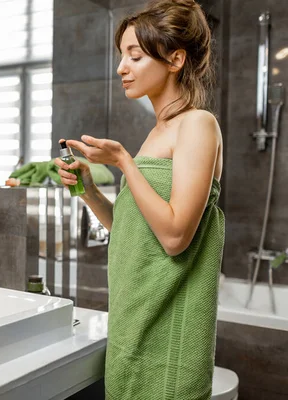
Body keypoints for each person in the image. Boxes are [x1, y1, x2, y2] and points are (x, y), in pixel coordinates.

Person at [55, 0, 224, 398]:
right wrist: (91, 191)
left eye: (135, 55)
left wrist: (123, 162)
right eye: (121, 56)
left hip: (169, 337)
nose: (121, 68)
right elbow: (135, 230)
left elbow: (174, 237)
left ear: (175, 59)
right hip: (137, 322)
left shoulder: (198, 124)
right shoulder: (157, 133)